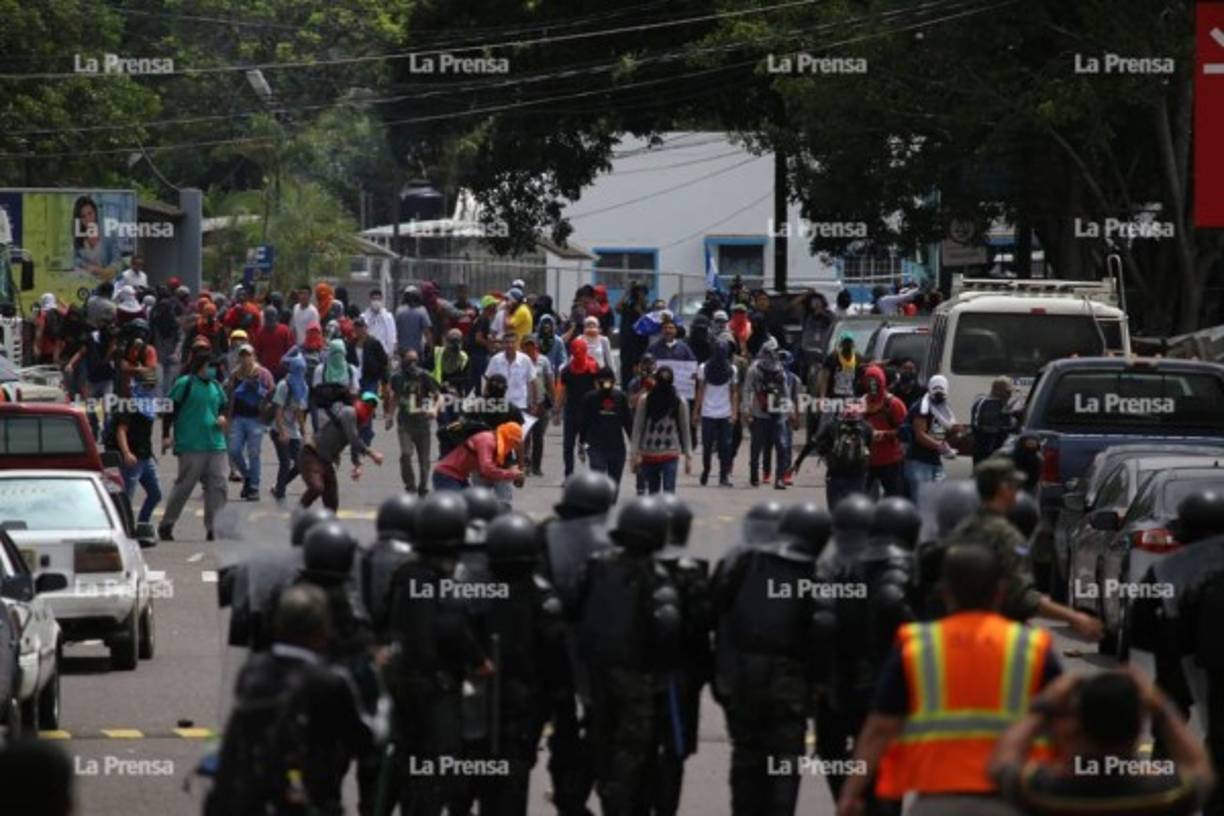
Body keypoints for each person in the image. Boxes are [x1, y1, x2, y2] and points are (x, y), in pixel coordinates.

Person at [837, 544, 1062, 816]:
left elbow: (880, 728)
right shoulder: (1033, 646)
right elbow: (1065, 724)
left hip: (938, 801)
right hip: (1013, 801)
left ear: (945, 593)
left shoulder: (917, 645)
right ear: (1000, 592)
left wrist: (850, 794)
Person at [208, 584, 372, 816]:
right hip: (310, 799)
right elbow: (363, 740)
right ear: (321, 629)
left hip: (253, 797)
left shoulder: (253, 670)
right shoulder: (329, 681)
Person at [714, 501, 832, 816]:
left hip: (741, 683)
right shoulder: (814, 574)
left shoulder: (740, 563)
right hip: (788, 690)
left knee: (746, 760)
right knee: (783, 766)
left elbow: (713, 615)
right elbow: (823, 635)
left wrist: (720, 673)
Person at [448, 513, 570, 816]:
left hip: (476, 713)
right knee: (508, 796)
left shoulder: (472, 593)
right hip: (519, 716)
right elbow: (558, 667)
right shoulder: (544, 600)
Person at [575, 497, 683, 815]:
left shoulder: (597, 566)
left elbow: (575, 611)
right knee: (632, 751)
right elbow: (667, 629)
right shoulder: (656, 577)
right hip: (638, 679)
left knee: (599, 738)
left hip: (597, 675)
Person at [385, 492, 492, 815]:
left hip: (401, 685)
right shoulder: (441, 581)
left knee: (406, 762)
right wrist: (479, 660)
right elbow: (451, 627)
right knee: (439, 767)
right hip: (437, 688)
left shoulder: (404, 573)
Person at [990, 669, 1214, 816]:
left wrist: (1043, 707)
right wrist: (1161, 706)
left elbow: (1002, 762)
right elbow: (1200, 768)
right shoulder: (1165, 796)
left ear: (1078, 728)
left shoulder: (1044, 794)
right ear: (1137, 730)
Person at [941, 458, 1103, 640]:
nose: (1017, 492)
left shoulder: (963, 529)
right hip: (997, 634)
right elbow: (1021, 596)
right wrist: (1074, 617)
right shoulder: (1006, 536)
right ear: (1003, 488)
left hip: (954, 630)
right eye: (1014, 485)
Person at [158, 338, 229, 542]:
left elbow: (223, 404)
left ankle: (214, 527)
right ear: (200, 367)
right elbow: (169, 410)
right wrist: (165, 435)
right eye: (210, 367)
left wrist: (223, 416)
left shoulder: (215, 386)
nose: (213, 370)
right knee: (184, 486)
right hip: (191, 445)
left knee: (219, 485)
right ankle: (167, 523)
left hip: (215, 443)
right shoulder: (185, 384)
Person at [298, 393, 385, 512]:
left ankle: (328, 526)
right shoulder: (348, 412)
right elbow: (353, 438)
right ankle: (298, 513)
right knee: (317, 487)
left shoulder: (356, 422)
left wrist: (358, 465)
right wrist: (372, 454)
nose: (368, 407)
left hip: (327, 461)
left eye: (372, 405)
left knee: (332, 502)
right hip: (312, 454)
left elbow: (354, 444)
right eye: (367, 403)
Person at [741, 340, 798, 490]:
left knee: (782, 445)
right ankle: (754, 474)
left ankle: (779, 478)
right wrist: (746, 408)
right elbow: (747, 389)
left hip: (778, 413)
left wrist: (790, 410)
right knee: (756, 447)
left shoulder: (780, 371)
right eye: (771, 352)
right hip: (760, 414)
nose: (774, 355)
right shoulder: (754, 370)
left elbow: (785, 392)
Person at [386, 348, 441, 497]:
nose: (412, 363)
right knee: (406, 454)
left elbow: (438, 396)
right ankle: (410, 485)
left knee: (424, 460)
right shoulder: (397, 377)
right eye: (409, 360)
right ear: (403, 361)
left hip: (422, 423)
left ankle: (423, 485)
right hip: (405, 423)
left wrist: (434, 409)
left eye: (415, 360)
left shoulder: (425, 376)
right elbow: (395, 397)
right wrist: (390, 416)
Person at [630, 365, 692, 494]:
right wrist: (634, 453)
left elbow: (685, 429)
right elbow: (638, 427)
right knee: (653, 492)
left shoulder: (679, 401)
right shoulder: (645, 400)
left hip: (670, 452)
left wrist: (688, 456)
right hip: (649, 453)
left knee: (669, 491)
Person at [112, 371, 163, 524]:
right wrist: (126, 453)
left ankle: (142, 525)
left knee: (156, 494)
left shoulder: (149, 405)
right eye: (146, 385)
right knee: (126, 499)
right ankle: (123, 529)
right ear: (136, 384)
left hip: (146, 457)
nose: (149, 389)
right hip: (132, 459)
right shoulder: (128, 404)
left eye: (152, 386)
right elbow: (121, 430)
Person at [226, 344, 275, 501]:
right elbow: (230, 396)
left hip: (256, 418)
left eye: (248, 355)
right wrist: (228, 417)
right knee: (234, 450)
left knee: (254, 453)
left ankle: (254, 486)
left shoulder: (263, 373)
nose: (245, 358)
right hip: (238, 418)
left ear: (254, 356)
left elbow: (272, 394)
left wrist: (259, 389)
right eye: (242, 355)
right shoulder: (236, 374)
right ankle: (248, 476)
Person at [577, 367, 634, 498]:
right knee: (598, 481)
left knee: (614, 486)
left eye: (609, 380)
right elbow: (583, 423)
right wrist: (581, 444)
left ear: (614, 381)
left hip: (617, 448)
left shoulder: (621, 397)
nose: (606, 383)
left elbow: (628, 423)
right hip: (596, 447)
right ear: (597, 382)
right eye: (603, 380)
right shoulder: (589, 398)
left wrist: (634, 446)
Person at [903, 373, 960, 501]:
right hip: (919, 462)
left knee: (935, 502)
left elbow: (938, 435)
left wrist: (953, 435)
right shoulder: (922, 407)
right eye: (936, 388)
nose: (939, 392)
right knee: (921, 502)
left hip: (934, 461)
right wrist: (941, 447)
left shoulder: (942, 408)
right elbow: (920, 435)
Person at [432, 420, 525, 493]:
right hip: (446, 475)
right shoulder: (486, 440)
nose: (512, 447)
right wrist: (512, 474)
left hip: (460, 477)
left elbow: (487, 471)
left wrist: (515, 470)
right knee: (455, 509)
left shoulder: (494, 443)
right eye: (513, 443)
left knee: (471, 508)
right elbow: (487, 469)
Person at [693, 338, 739, 487]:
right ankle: (706, 469)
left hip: (725, 413)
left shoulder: (732, 369)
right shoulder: (703, 367)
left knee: (725, 446)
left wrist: (734, 412)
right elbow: (700, 390)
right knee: (707, 445)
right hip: (708, 412)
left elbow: (734, 393)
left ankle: (723, 476)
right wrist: (696, 411)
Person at [810, 402, 873, 508]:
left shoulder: (832, 425)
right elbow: (869, 447)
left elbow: (816, 443)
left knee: (835, 511)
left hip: (835, 475)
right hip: (858, 476)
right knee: (856, 511)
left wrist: (826, 454)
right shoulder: (867, 427)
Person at [555, 337, 599, 478]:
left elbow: (599, 389)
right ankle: (568, 475)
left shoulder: (593, 368)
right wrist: (557, 411)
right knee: (568, 445)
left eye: (580, 351)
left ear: (585, 350)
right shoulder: (567, 371)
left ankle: (595, 474)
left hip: (589, 413)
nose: (578, 354)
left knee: (591, 445)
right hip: (571, 412)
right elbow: (562, 391)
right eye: (575, 351)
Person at [861, 364, 908, 497]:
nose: (872, 386)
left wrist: (885, 434)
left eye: (876, 382)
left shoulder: (894, 404)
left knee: (895, 500)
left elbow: (905, 431)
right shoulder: (861, 404)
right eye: (869, 382)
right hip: (866, 462)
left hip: (891, 461)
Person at [270, 355, 309, 501]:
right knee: (285, 461)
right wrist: (282, 432)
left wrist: (304, 433)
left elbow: (300, 411)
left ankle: (279, 485)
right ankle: (280, 491)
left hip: (293, 431)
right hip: (278, 429)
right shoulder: (283, 385)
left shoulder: (303, 386)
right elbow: (278, 410)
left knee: (300, 463)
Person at [522, 333, 554, 476]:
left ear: (536, 346)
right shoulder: (520, 360)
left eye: (532, 345)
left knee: (538, 436)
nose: (529, 348)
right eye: (526, 345)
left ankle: (536, 466)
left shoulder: (544, 361)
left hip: (541, 403)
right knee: (525, 436)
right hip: (525, 403)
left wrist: (553, 401)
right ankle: (525, 464)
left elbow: (549, 381)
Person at [484, 331, 537, 414]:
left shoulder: (525, 360)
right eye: (507, 342)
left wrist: (534, 403)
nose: (510, 345)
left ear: (517, 344)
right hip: (500, 405)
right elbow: (487, 380)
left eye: (513, 342)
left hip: (520, 405)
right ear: (503, 344)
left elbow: (533, 382)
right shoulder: (495, 360)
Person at [971, 376, 1018, 464]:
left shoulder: (1007, 404)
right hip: (984, 450)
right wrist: (1006, 428)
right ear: (997, 390)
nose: (1010, 394)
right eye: (1007, 392)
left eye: (1010, 392)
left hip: (1003, 451)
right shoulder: (983, 403)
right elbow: (979, 426)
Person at [466, 295, 499, 393]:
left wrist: (498, 342)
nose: (496, 308)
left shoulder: (481, 319)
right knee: (481, 380)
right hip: (479, 355)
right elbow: (478, 338)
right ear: (489, 307)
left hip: (476, 354)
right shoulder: (483, 320)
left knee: (475, 381)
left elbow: (485, 337)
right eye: (494, 306)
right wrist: (489, 345)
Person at [818, 331, 864, 401]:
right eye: (845, 343)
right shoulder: (833, 357)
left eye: (849, 343)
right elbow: (824, 379)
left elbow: (862, 378)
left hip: (851, 399)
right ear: (841, 344)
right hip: (833, 399)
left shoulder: (858, 358)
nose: (847, 345)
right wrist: (822, 398)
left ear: (852, 344)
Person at [254, 304, 294, 380]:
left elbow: (291, 350)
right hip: (266, 371)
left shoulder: (285, 330)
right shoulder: (260, 332)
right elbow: (257, 352)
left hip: (281, 370)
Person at [395, 286, 433, 358]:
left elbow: (396, 332)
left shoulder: (399, 311)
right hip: (417, 350)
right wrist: (430, 347)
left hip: (402, 350)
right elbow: (427, 332)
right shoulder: (422, 310)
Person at [430, 327, 470, 396]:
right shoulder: (437, 352)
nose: (454, 345)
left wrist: (450, 382)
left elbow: (466, 377)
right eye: (452, 341)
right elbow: (426, 370)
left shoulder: (464, 357)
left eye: (457, 341)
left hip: (456, 393)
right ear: (446, 341)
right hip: (437, 391)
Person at [360, 288, 397, 356]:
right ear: (370, 300)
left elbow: (392, 336)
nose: (376, 301)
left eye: (378, 299)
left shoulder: (388, 317)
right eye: (374, 299)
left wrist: (391, 352)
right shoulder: (363, 317)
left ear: (381, 300)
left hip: (384, 351)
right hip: (368, 351)